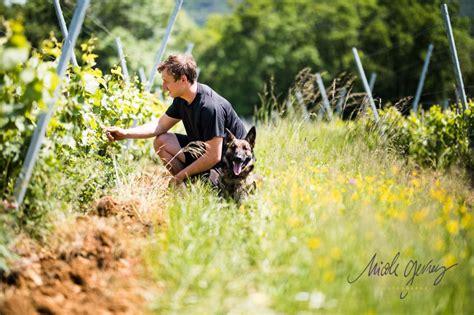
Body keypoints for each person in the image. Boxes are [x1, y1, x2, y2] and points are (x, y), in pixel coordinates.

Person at [104, 54, 247, 185]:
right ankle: (190, 184)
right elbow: (160, 125)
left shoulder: (209, 107)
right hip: (206, 154)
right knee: (162, 141)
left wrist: (179, 176)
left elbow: (213, 156)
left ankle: (199, 184)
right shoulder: (182, 100)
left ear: (183, 79)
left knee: (205, 182)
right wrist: (125, 133)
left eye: (167, 82)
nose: (164, 87)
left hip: (231, 165)